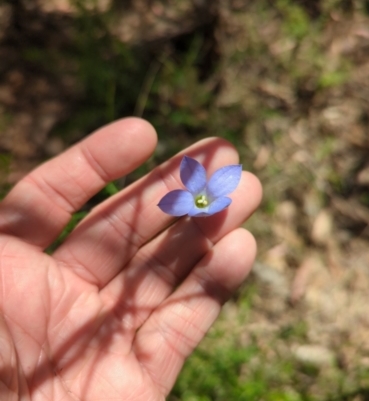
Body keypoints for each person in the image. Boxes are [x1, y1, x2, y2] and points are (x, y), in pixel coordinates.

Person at [0, 118, 262, 400]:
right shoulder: (188, 195)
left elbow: (217, 199)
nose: (202, 203)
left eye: (204, 202)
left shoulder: (217, 191)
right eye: (201, 201)